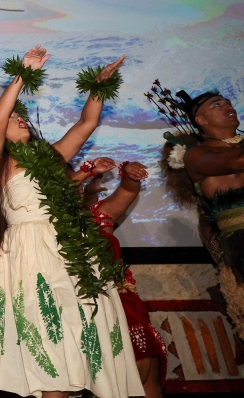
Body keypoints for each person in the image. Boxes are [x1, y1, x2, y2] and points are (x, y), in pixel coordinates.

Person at [0, 46, 143, 398]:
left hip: (67, 248)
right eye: (14, 117)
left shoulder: (53, 158)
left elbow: (86, 123)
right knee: (45, 333)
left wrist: (99, 89)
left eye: (22, 116)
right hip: (28, 251)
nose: (19, 119)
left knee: (81, 322)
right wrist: (23, 75)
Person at [148, 83, 244, 338]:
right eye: (217, 105)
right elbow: (237, 162)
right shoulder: (197, 155)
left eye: (227, 102)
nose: (227, 106)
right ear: (200, 120)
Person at [81, 158, 165, 398]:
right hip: (85, 308)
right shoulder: (42, 225)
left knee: (147, 372)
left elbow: (128, 190)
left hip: (124, 302)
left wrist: (129, 174)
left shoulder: (100, 215)